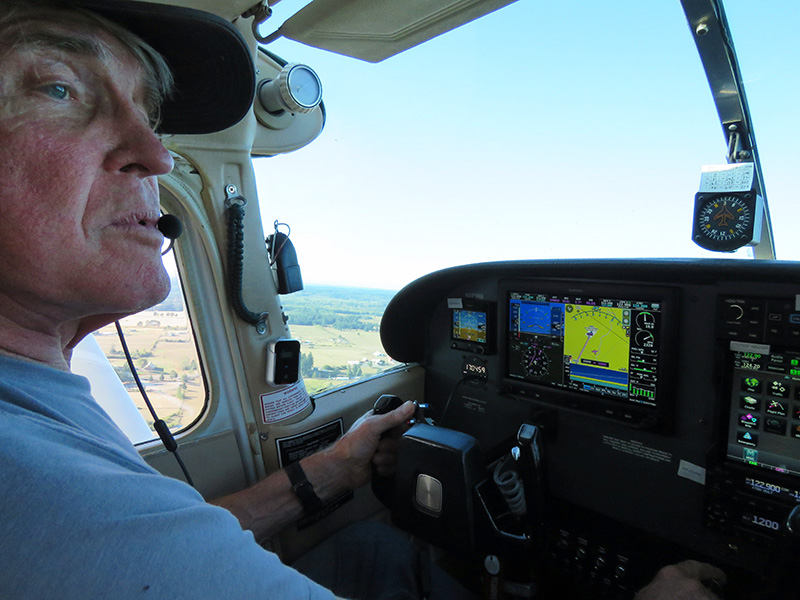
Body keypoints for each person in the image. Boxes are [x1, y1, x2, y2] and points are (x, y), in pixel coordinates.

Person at [0, 1, 724, 598]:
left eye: (150, 114)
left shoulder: (40, 414)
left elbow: (167, 539)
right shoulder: (39, 492)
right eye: (60, 90)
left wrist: (338, 467)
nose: (155, 154)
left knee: (377, 551)